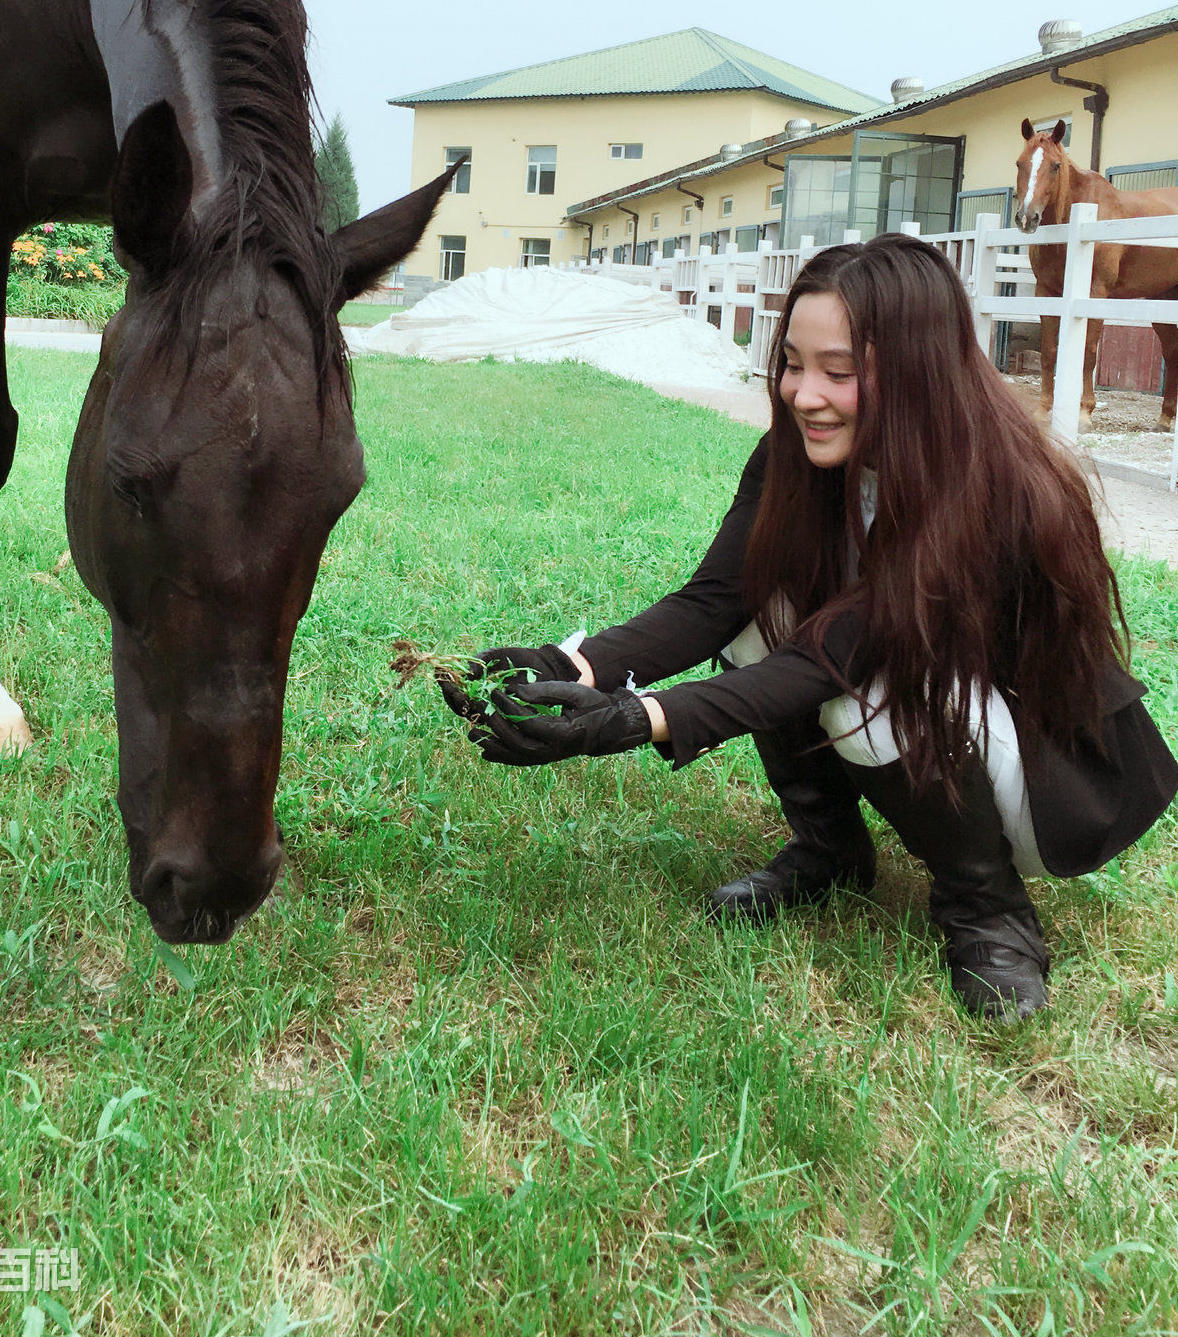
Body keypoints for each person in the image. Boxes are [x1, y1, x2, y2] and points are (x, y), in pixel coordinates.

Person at [442, 234, 1177, 1023]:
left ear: (918, 372)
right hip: (920, 701)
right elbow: (714, 601)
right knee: (766, 615)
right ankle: (830, 853)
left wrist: (641, 720)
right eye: (793, 362)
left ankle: (987, 908)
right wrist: (571, 665)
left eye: (840, 371)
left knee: (887, 683)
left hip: (1042, 774)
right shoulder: (794, 453)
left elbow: (843, 653)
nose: (803, 394)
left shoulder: (985, 483)